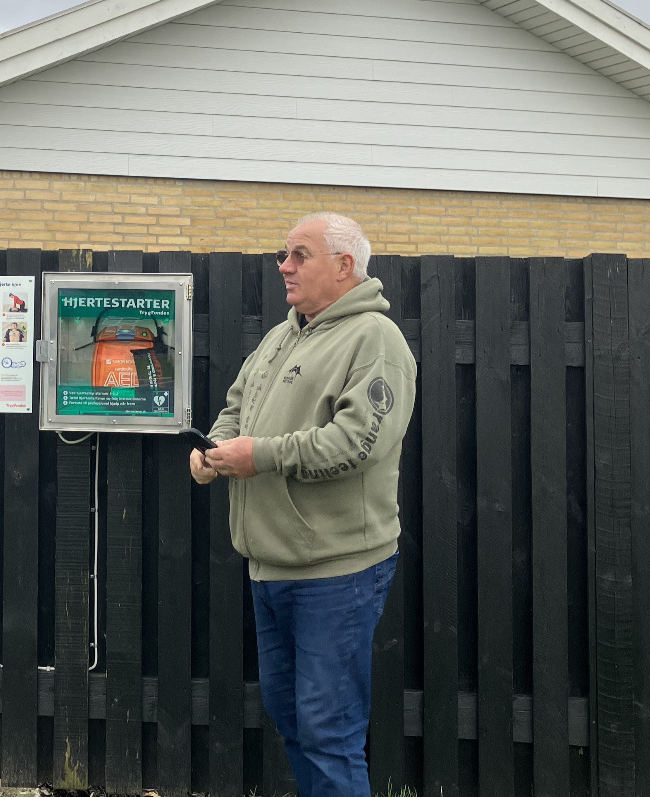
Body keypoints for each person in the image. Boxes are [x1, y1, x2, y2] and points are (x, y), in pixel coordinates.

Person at [189, 212, 415, 797]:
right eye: (283, 254)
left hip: (337, 572)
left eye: (299, 255)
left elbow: (358, 443)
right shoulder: (282, 335)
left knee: (328, 732)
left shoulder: (376, 340)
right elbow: (237, 406)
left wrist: (259, 456)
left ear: (344, 266)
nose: (284, 267)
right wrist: (214, 449)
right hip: (270, 566)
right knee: (293, 720)